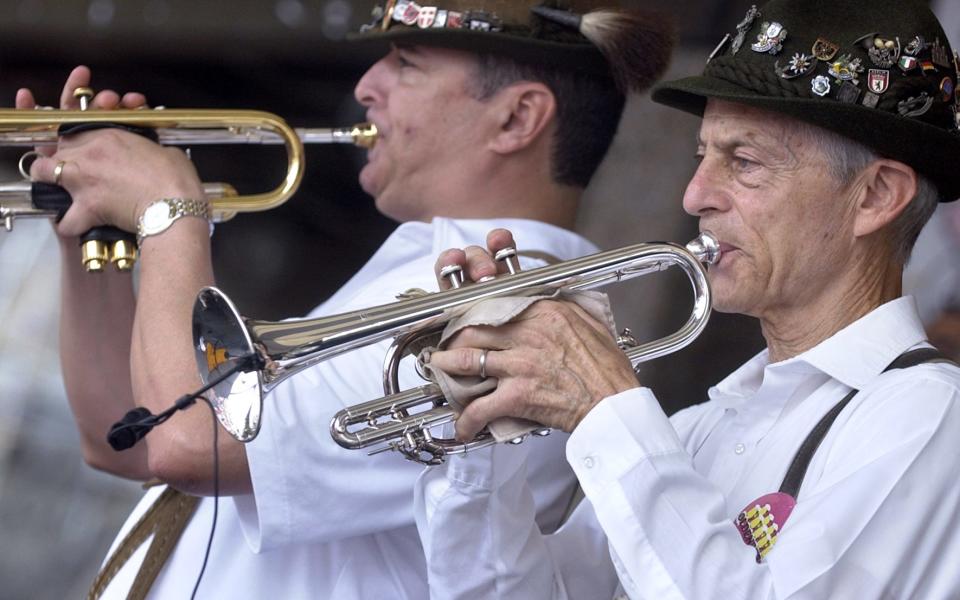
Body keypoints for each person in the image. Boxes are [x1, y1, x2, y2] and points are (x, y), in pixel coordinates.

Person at [19, 2, 673, 598]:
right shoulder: (419, 266)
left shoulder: (505, 309)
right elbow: (128, 437)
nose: (367, 86)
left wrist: (171, 211)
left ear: (517, 118)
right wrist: (96, 240)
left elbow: (192, 444)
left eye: (406, 64)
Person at [415, 0, 960, 597]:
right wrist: (481, 425)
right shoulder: (698, 429)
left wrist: (607, 406)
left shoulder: (929, 416)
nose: (695, 196)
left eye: (744, 162)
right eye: (703, 157)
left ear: (876, 196)